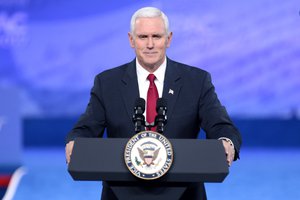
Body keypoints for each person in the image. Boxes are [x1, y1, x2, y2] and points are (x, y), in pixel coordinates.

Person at [65, 7, 242, 200]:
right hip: (121, 192)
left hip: (184, 193)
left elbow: (220, 124)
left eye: (156, 36)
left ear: (169, 38)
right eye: (143, 37)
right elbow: (86, 128)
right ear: (131, 40)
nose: (150, 44)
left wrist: (226, 141)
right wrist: (75, 142)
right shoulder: (107, 82)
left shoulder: (196, 81)